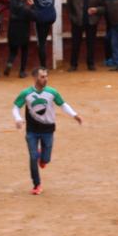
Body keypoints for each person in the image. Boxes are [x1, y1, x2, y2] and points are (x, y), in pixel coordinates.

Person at [12, 67, 83, 195]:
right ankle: (37, 185)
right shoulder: (26, 93)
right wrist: (18, 119)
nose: (45, 79)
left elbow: (63, 104)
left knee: (45, 159)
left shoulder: (52, 92)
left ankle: (43, 158)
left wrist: (74, 115)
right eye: (42, 77)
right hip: (32, 131)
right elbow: (16, 107)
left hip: (48, 130)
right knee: (33, 157)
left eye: (46, 76)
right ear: (35, 78)